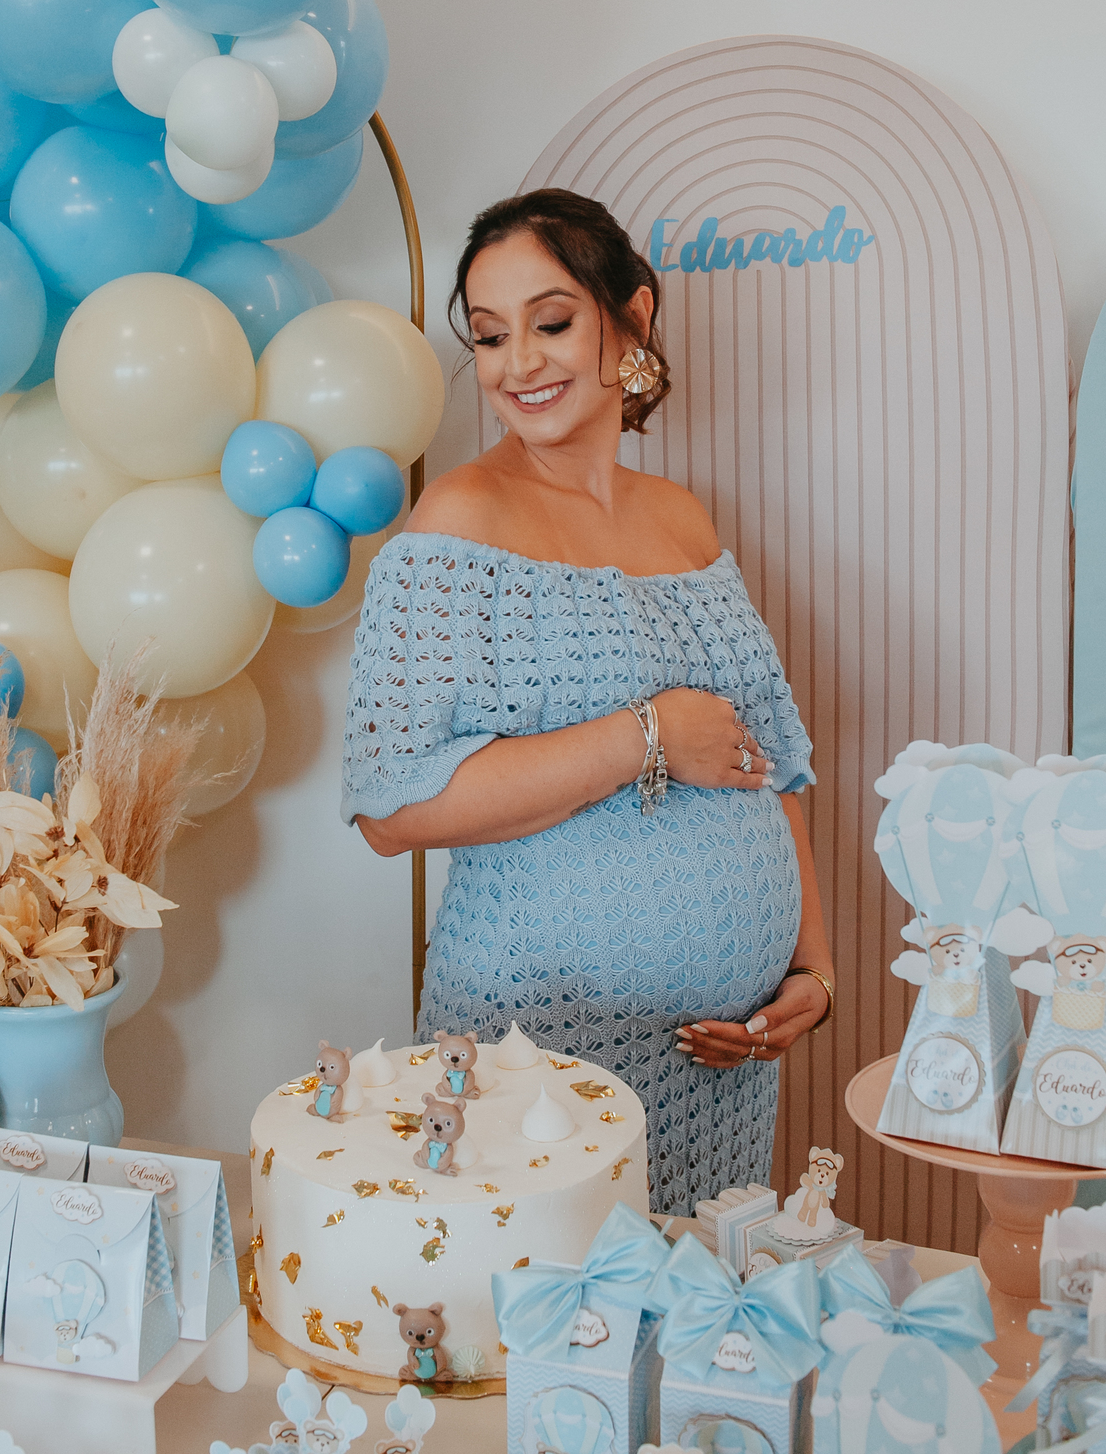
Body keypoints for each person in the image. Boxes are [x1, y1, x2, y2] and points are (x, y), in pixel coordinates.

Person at [341, 189, 835, 1213]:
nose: (518, 362)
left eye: (551, 321)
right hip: (550, 1049)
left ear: (633, 320)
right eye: (489, 335)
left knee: (692, 1332)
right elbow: (394, 808)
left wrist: (813, 974)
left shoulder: (683, 519)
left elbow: (771, 763)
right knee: (550, 1331)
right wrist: (646, 736)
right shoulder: (464, 518)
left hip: (723, 1062)